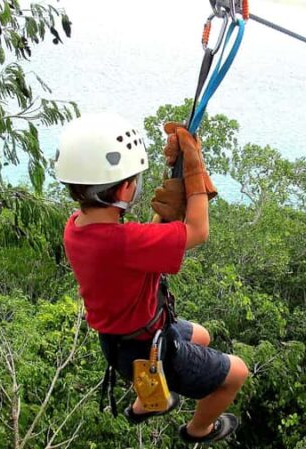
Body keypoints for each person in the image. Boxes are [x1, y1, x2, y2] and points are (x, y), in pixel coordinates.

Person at [56, 112, 249, 444]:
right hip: (149, 349)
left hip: (117, 342)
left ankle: (146, 404)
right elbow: (198, 232)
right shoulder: (126, 242)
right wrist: (194, 170)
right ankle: (198, 430)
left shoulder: (75, 227)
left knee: (201, 336)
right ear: (128, 187)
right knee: (237, 373)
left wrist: (164, 213)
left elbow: (132, 246)